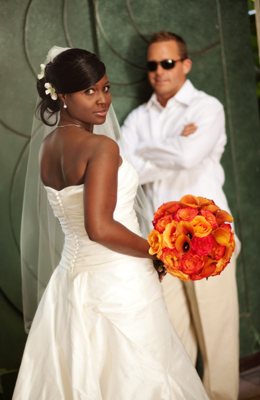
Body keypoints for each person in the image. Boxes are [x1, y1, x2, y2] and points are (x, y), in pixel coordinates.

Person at [12, 47, 209, 400]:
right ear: (63, 96)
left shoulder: (48, 147)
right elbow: (99, 228)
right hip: (119, 280)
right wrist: (159, 250)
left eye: (105, 88)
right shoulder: (100, 147)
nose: (102, 99)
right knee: (141, 375)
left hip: (71, 279)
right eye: (89, 91)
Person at [121, 31, 240, 400]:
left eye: (167, 62)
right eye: (153, 64)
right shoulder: (138, 117)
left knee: (217, 337)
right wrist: (173, 143)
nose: (159, 71)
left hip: (210, 238)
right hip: (161, 244)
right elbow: (127, 169)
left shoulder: (207, 108)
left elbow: (188, 158)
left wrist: (146, 151)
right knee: (172, 338)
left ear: (185, 65)